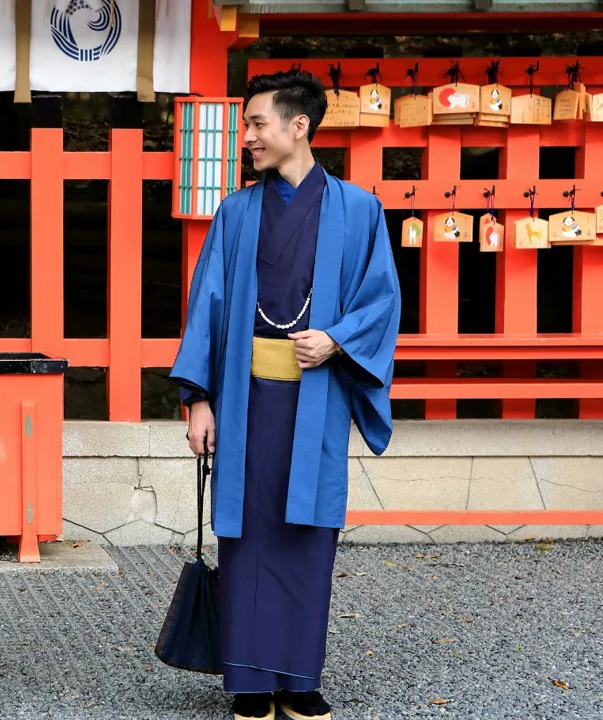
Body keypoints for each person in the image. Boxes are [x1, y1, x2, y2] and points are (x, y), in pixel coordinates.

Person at [169, 70, 402, 720]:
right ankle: (247, 682)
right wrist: (200, 400)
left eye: (257, 124)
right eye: (247, 126)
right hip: (244, 401)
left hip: (316, 399)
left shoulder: (359, 211)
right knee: (246, 539)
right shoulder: (237, 213)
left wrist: (336, 339)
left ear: (299, 126)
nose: (248, 137)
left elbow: (381, 300)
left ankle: (299, 677)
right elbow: (206, 307)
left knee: (307, 535)